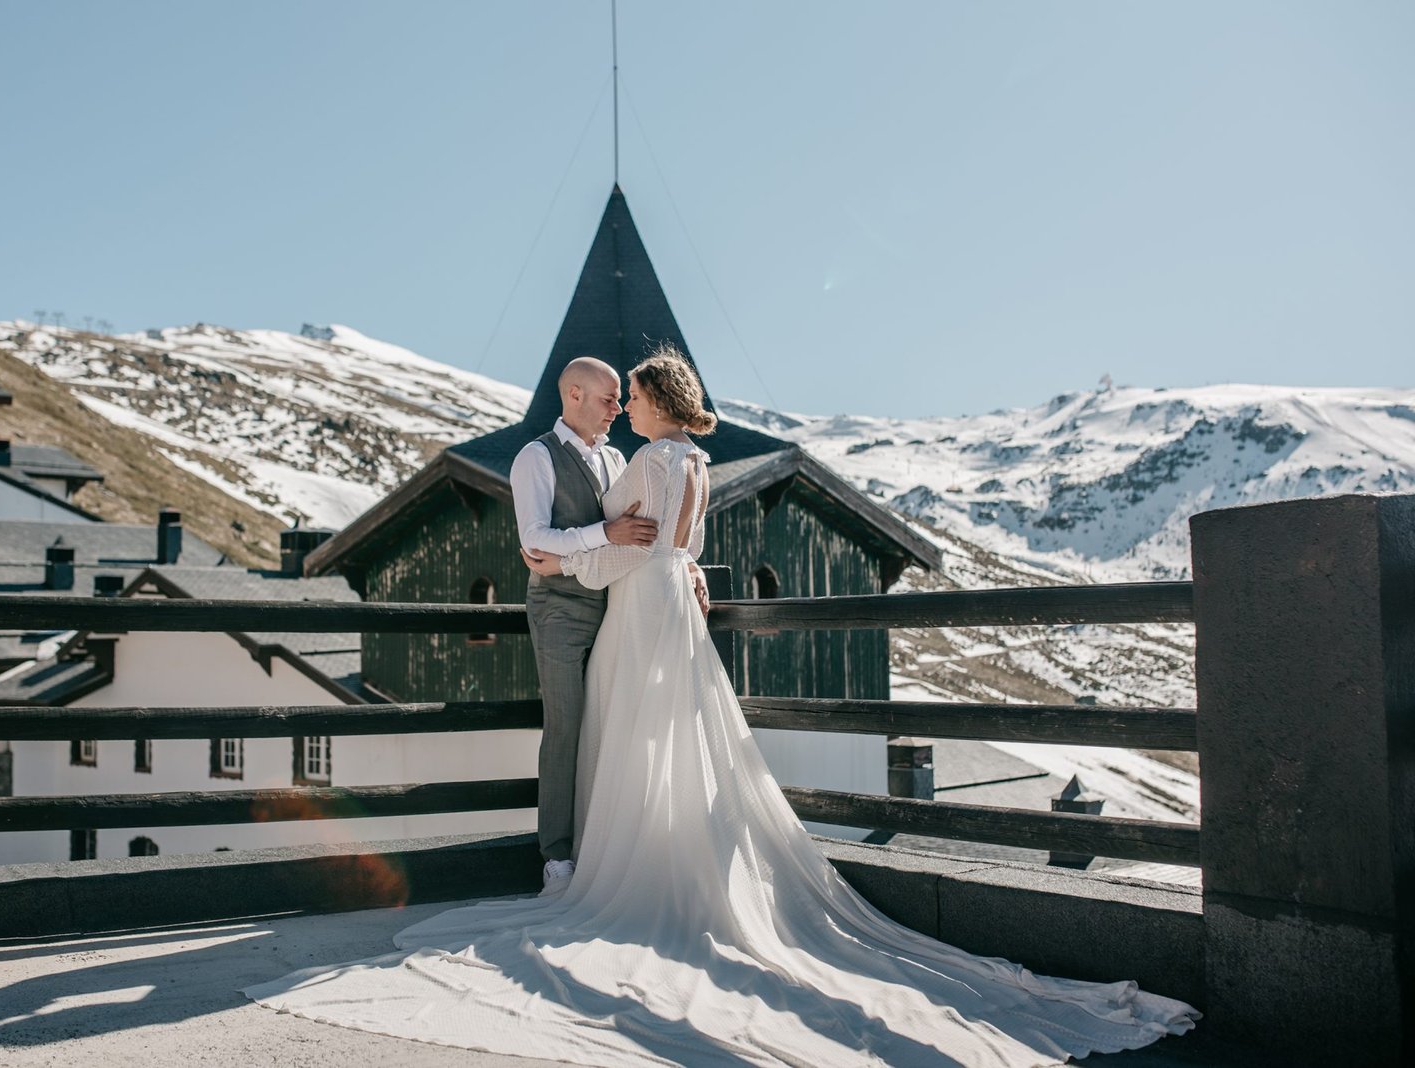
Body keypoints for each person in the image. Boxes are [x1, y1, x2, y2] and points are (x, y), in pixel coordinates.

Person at [245, 347, 1198, 1066]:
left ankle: (620, 865)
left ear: (652, 404)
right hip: (660, 606)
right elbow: (656, 541)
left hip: (632, 601)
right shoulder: (680, 463)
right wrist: (642, 562)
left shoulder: (645, 459)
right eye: (609, 392)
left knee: (629, 732)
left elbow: (629, 545)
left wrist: (566, 556)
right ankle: (613, 855)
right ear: (585, 398)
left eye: (631, 393)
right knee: (664, 734)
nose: (621, 401)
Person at [506, 355, 662, 888]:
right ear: (573, 395)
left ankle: (608, 846)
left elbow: (644, 531)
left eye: (621, 398)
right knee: (567, 726)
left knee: (614, 724)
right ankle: (558, 856)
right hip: (560, 612)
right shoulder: (536, 457)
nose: (618, 408)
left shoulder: (617, 457)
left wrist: (687, 570)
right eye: (608, 398)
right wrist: (605, 535)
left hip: (617, 605)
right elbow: (535, 539)